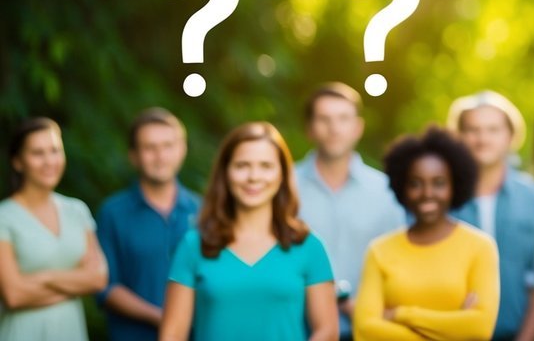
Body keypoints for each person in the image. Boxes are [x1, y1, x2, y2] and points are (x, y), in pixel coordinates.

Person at [160, 121, 338, 341]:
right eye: (242, 165)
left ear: (282, 174)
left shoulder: (309, 246)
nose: (254, 176)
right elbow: (172, 335)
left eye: (266, 166)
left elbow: (327, 332)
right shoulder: (194, 245)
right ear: (225, 173)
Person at [354, 126, 500, 341]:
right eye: (415, 183)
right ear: (402, 187)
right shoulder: (379, 250)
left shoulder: (479, 246)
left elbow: (479, 328)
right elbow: (365, 331)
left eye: (439, 183)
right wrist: (452, 328)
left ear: (455, 185)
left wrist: (401, 315)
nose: (427, 193)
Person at [294, 83, 406, 340]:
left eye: (343, 119)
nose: (334, 128)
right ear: (310, 129)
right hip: (299, 329)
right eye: (324, 119)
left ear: (358, 127)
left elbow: (398, 263)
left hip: (368, 329)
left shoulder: (387, 191)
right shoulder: (282, 186)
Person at [95, 108, 201, 341]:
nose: (160, 156)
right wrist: (163, 318)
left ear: (182, 149)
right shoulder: (113, 213)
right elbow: (105, 286)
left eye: (167, 146)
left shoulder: (204, 211)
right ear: (133, 156)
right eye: (150, 148)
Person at [450, 91, 534, 341]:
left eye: (493, 129)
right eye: (473, 129)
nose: (483, 138)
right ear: (459, 137)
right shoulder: (441, 200)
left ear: (510, 136)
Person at [0, 117, 107, 341]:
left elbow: (98, 279)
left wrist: (43, 277)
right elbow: (14, 295)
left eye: (55, 150)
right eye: (38, 153)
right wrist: (75, 283)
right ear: (18, 162)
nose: (49, 161)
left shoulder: (77, 211)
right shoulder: (5, 216)